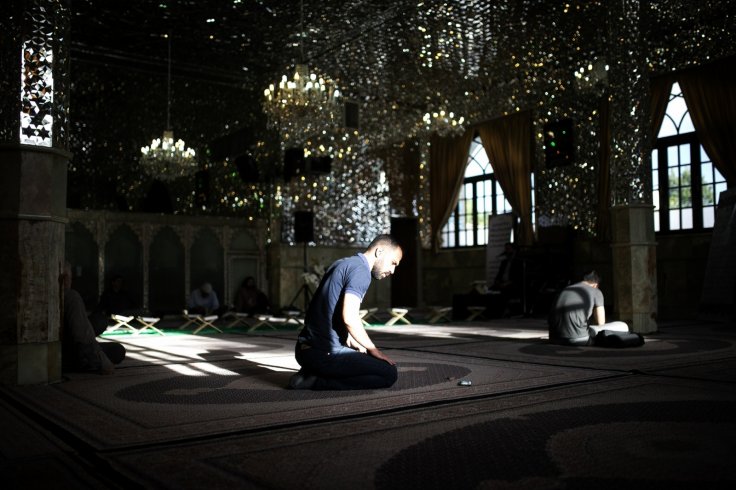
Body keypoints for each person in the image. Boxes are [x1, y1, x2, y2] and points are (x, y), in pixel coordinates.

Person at [289, 234, 403, 390]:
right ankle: (316, 381)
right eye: (393, 263)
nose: (393, 270)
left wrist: (350, 339)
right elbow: (349, 317)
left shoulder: (343, 263)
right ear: (379, 252)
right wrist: (373, 349)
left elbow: (330, 308)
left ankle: (311, 371)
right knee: (388, 373)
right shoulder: (362, 271)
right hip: (324, 353)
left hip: (304, 349)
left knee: (361, 355)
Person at [61, 262, 126, 374]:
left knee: (101, 322)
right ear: (65, 278)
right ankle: (85, 362)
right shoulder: (70, 297)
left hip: (72, 346)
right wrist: (100, 358)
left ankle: (83, 361)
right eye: (70, 277)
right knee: (117, 351)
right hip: (68, 351)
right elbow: (80, 335)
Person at [548, 270, 629, 346]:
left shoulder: (565, 289)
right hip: (578, 339)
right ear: (596, 284)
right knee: (622, 325)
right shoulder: (596, 291)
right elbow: (601, 323)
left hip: (554, 338)